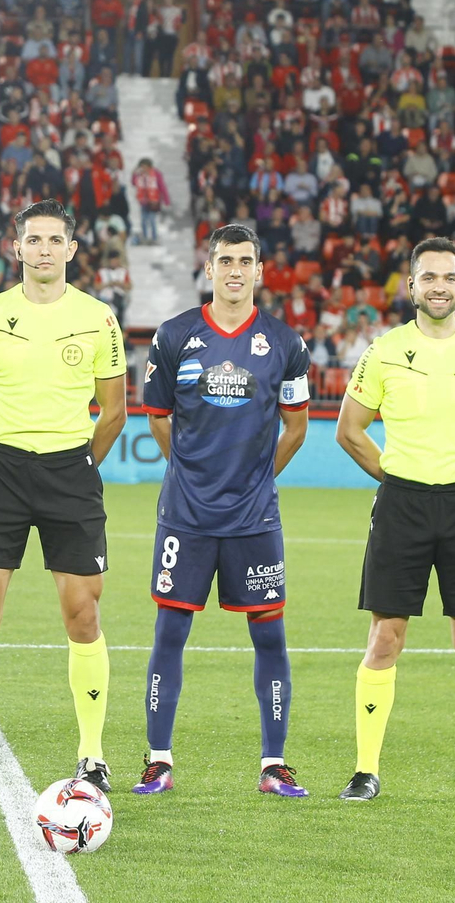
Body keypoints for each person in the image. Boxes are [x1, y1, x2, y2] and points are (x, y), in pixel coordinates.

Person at [0, 199, 127, 792]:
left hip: (70, 473)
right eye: (34, 240)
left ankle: (92, 754)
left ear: (72, 250)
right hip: (0, 472)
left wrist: (76, 465)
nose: (44, 249)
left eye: (55, 240)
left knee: (82, 613)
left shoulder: (99, 319)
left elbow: (115, 410)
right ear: (16, 248)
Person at [335, 236, 455, 805]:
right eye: (429, 278)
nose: (439, 287)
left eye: (449, 278)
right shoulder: (385, 350)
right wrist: (395, 479)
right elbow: (350, 429)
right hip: (402, 506)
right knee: (386, 636)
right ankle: (366, 770)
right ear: (412, 286)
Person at [134, 223, 312, 799]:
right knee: (170, 633)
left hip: (253, 520)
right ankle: (158, 760)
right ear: (207, 270)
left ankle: (274, 763)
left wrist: (256, 478)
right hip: (186, 516)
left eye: (245, 261)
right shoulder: (174, 335)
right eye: (225, 261)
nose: (235, 271)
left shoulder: (285, 343)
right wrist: (190, 471)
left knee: (271, 639)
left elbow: (297, 426)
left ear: (260, 271)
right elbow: (159, 418)